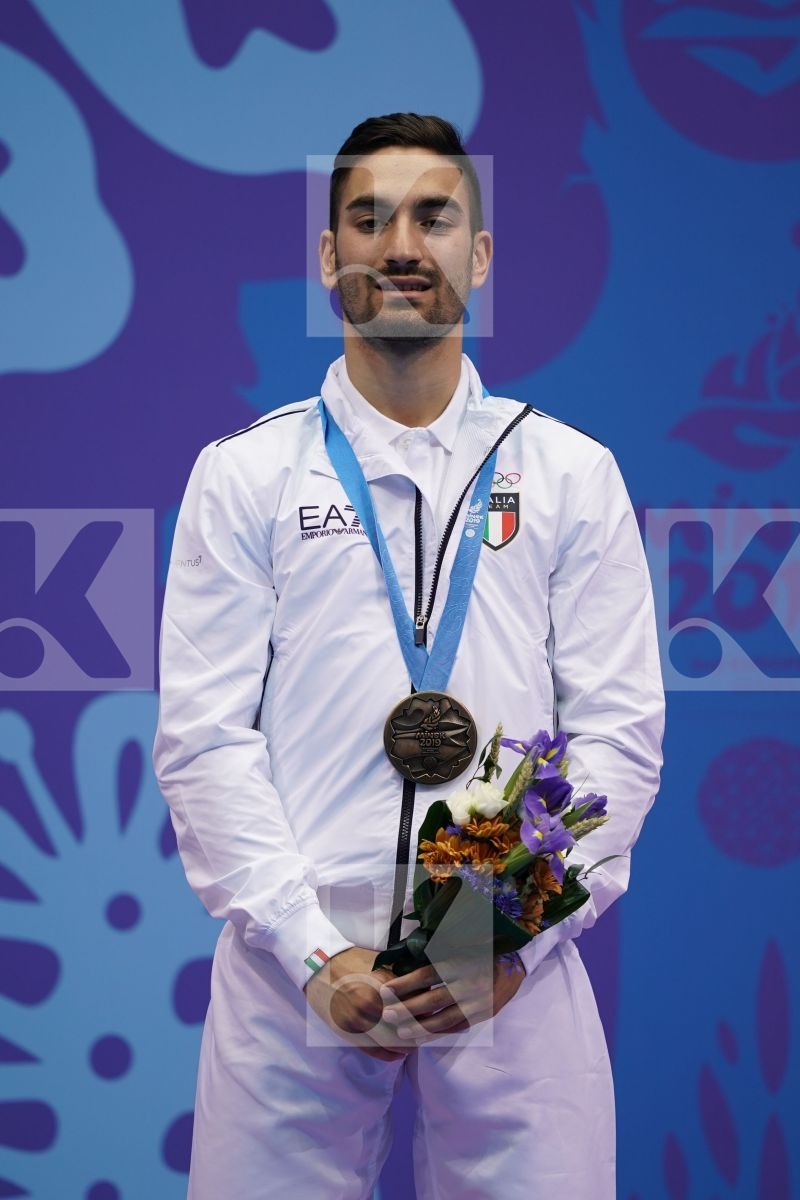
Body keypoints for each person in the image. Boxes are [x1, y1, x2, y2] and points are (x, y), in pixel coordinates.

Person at [152, 112, 665, 1200]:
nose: (398, 244)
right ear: (326, 255)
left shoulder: (570, 474)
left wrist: (503, 939)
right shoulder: (245, 477)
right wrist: (305, 948)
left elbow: (617, 734)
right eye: (365, 217)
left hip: (506, 952)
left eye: (432, 216)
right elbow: (203, 739)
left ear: (477, 257)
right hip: (294, 963)